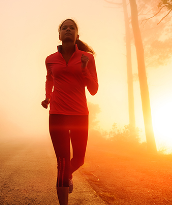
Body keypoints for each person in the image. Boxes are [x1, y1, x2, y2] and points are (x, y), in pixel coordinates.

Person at [41, 19, 98, 205]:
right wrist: (48, 96)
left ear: (77, 36)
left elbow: (94, 89)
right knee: (63, 163)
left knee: (79, 159)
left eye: (71, 28)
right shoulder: (50, 59)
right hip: (57, 114)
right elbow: (49, 79)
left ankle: (67, 176)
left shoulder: (87, 58)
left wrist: (84, 70)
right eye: (64, 28)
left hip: (80, 114)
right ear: (59, 35)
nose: (67, 30)